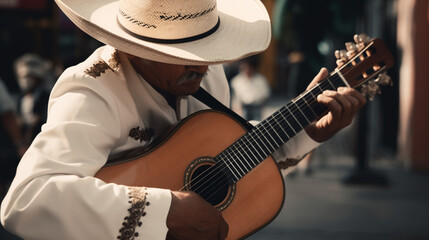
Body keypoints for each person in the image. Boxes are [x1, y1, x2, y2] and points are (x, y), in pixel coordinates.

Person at [0, 0, 366, 239]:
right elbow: (26, 200)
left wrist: (307, 132)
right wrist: (169, 210)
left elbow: (226, 158)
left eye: (206, 49)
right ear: (137, 49)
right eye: (184, 53)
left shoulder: (207, 74)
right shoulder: (93, 89)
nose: (203, 65)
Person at [14, 54, 52, 144]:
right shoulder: (21, 98)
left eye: (28, 76)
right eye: (22, 77)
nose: (25, 80)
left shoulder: (45, 96)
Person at [230, 55, 271, 120]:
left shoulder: (260, 79)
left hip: (256, 107)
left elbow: (265, 94)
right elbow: (235, 97)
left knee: (256, 125)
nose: (247, 70)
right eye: (244, 68)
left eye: (248, 67)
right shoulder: (236, 81)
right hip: (244, 108)